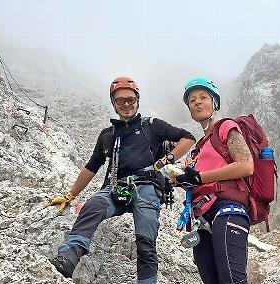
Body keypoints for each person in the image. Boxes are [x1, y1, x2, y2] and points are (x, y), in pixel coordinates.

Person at [45, 76, 196, 283]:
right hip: (115, 186)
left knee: (145, 241)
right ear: (113, 103)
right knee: (93, 206)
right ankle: (69, 257)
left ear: (137, 101)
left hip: (146, 186)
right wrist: (70, 195)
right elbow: (91, 167)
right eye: (120, 100)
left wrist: (163, 162)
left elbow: (188, 137)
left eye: (130, 100)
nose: (126, 104)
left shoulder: (152, 126)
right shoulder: (107, 135)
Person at [173, 76, 254, 284]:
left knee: (231, 279)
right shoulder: (199, 147)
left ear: (214, 102)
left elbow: (246, 165)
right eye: (192, 100)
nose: (198, 102)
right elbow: (196, 181)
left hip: (228, 209)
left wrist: (199, 177)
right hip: (202, 218)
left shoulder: (226, 127)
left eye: (203, 97)